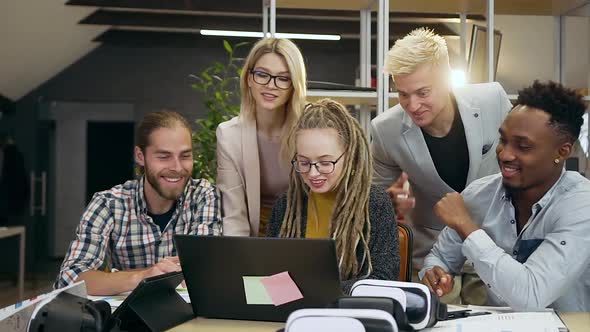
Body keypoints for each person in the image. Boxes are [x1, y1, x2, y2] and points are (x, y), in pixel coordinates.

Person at [421, 81, 590, 312]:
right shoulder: (479, 195)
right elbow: (440, 258)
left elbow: (531, 295)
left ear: (562, 152)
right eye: (503, 140)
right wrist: (435, 274)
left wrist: (467, 227)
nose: (505, 154)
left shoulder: (581, 205)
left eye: (523, 146)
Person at [370, 28, 512, 303]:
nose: (413, 105)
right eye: (403, 94)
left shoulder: (492, 99)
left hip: (496, 243)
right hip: (433, 253)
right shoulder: (385, 129)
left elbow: (523, 166)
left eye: (423, 92)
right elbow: (373, 201)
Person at [55, 111, 221, 295]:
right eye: (164, 156)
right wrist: (142, 277)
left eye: (185, 156)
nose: (177, 168)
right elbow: (68, 279)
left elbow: (202, 270)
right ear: (140, 156)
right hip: (127, 320)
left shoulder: (204, 195)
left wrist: (113, 277)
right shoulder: (108, 204)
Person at [267, 99, 400, 294]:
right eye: (304, 162)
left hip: (351, 317)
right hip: (291, 316)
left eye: (325, 162)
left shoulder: (375, 204)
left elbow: (383, 279)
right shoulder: (285, 206)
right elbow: (269, 278)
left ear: (349, 156)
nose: (313, 173)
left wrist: (311, 289)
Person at [217, 38, 307, 237]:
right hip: (254, 237)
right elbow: (234, 214)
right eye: (262, 74)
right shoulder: (229, 135)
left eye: (283, 78)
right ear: (249, 78)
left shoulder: (310, 130)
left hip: (306, 234)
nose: (271, 85)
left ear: (294, 84)